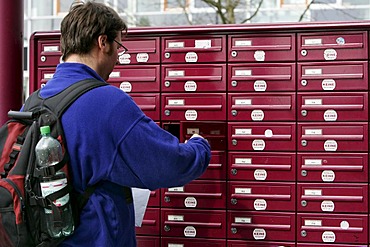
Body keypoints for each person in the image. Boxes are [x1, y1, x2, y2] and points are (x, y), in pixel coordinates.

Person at [39, 1, 211, 246]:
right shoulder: (106, 102)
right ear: (103, 43)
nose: (119, 57)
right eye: (118, 45)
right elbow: (169, 164)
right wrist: (199, 147)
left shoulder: (36, 100)